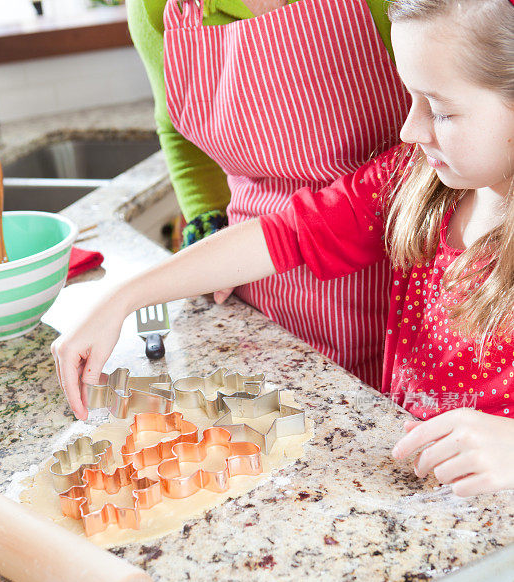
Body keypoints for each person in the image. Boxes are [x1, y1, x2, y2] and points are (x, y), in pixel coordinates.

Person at [52, 0, 514, 498]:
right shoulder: (413, 179)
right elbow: (284, 234)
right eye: (410, 99)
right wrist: (123, 298)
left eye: (440, 109)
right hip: (413, 486)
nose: (409, 129)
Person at [126, 0, 410, 391]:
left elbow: (452, 113)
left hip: (399, 273)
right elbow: (177, 131)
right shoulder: (156, 7)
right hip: (257, 285)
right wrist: (210, 228)